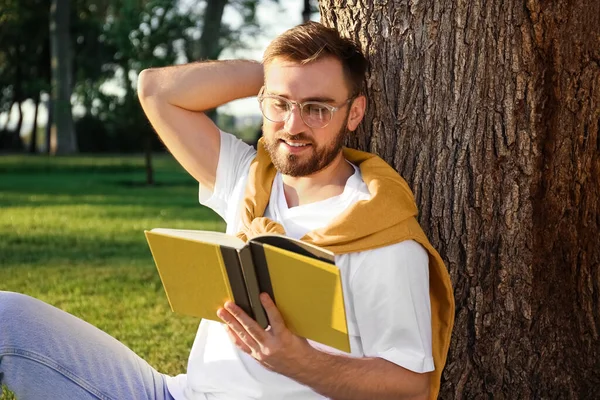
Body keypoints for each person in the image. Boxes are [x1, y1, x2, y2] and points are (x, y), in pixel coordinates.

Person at [0, 22, 454, 400]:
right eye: (279, 104)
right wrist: (275, 72)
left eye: (317, 108)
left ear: (354, 113)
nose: (293, 126)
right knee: (8, 319)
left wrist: (300, 362)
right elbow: (156, 90)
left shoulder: (382, 234)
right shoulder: (248, 178)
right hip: (175, 394)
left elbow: (411, 384)